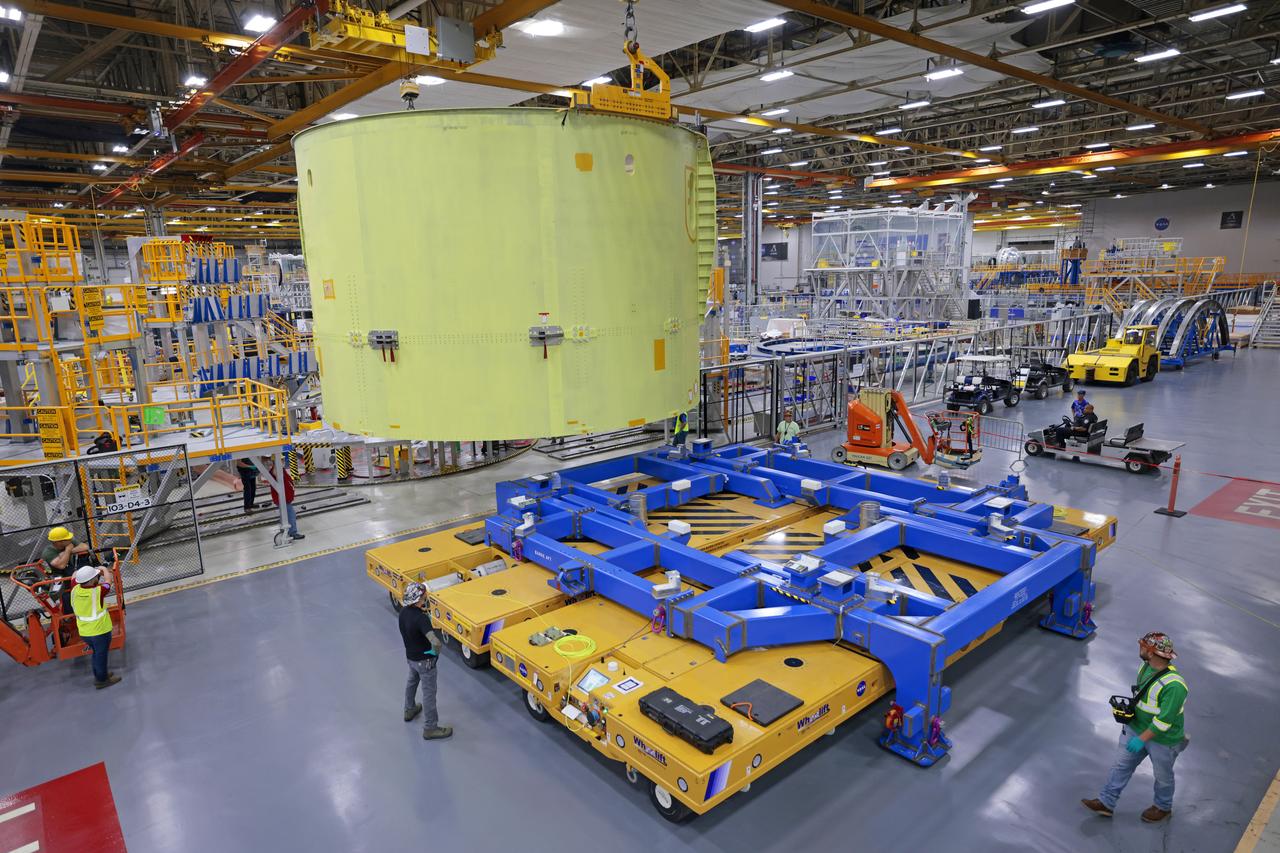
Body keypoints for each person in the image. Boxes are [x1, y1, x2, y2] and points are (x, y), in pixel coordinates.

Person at [1082, 632, 1188, 823]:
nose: (1141, 649)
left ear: (1153, 652)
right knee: (1121, 766)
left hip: (1163, 740)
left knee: (1163, 776)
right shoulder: (1144, 667)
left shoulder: (1175, 686)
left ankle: (1163, 807)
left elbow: (1163, 722)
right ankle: (1106, 802)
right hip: (1136, 727)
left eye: (1144, 647)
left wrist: (1142, 739)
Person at [399, 582, 451, 740]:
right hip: (425, 661)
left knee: (411, 681)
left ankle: (409, 709)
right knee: (429, 694)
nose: (426, 598)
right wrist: (434, 655)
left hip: (411, 657)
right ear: (418, 600)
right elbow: (435, 642)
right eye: (424, 597)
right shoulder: (421, 619)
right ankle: (430, 728)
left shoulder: (403, 613)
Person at [71, 566, 121, 689]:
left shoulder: (75, 588)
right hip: (99, 632)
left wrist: (85, 571)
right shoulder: (98, 591)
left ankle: (100, 674)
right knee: (101, 656)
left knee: (96, 654)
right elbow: (109, 582)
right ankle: (102, 680)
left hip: (84, 632)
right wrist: (103, 569)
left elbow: (74, 576)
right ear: (93, 580)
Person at [42, 527, 92, 612]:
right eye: (67, 538)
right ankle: (70, 612)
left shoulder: (68, 541)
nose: (70, 539)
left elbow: (85, 547)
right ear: (59, 542)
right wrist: (68, 550)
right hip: (58, 577)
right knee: (67, 594)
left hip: (69, 573)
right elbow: (61, 565)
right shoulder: (48, 552)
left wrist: (69, 551)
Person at [266, 462, 304, 540]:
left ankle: (285, 530)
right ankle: (293, 533)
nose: (283, 462)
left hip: (284, 499)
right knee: (291, 516)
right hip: (283, 499)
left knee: (285, 515)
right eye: (281, 460)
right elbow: (275, 472)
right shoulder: (276, 470)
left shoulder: (281, 469)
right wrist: (276, 463)